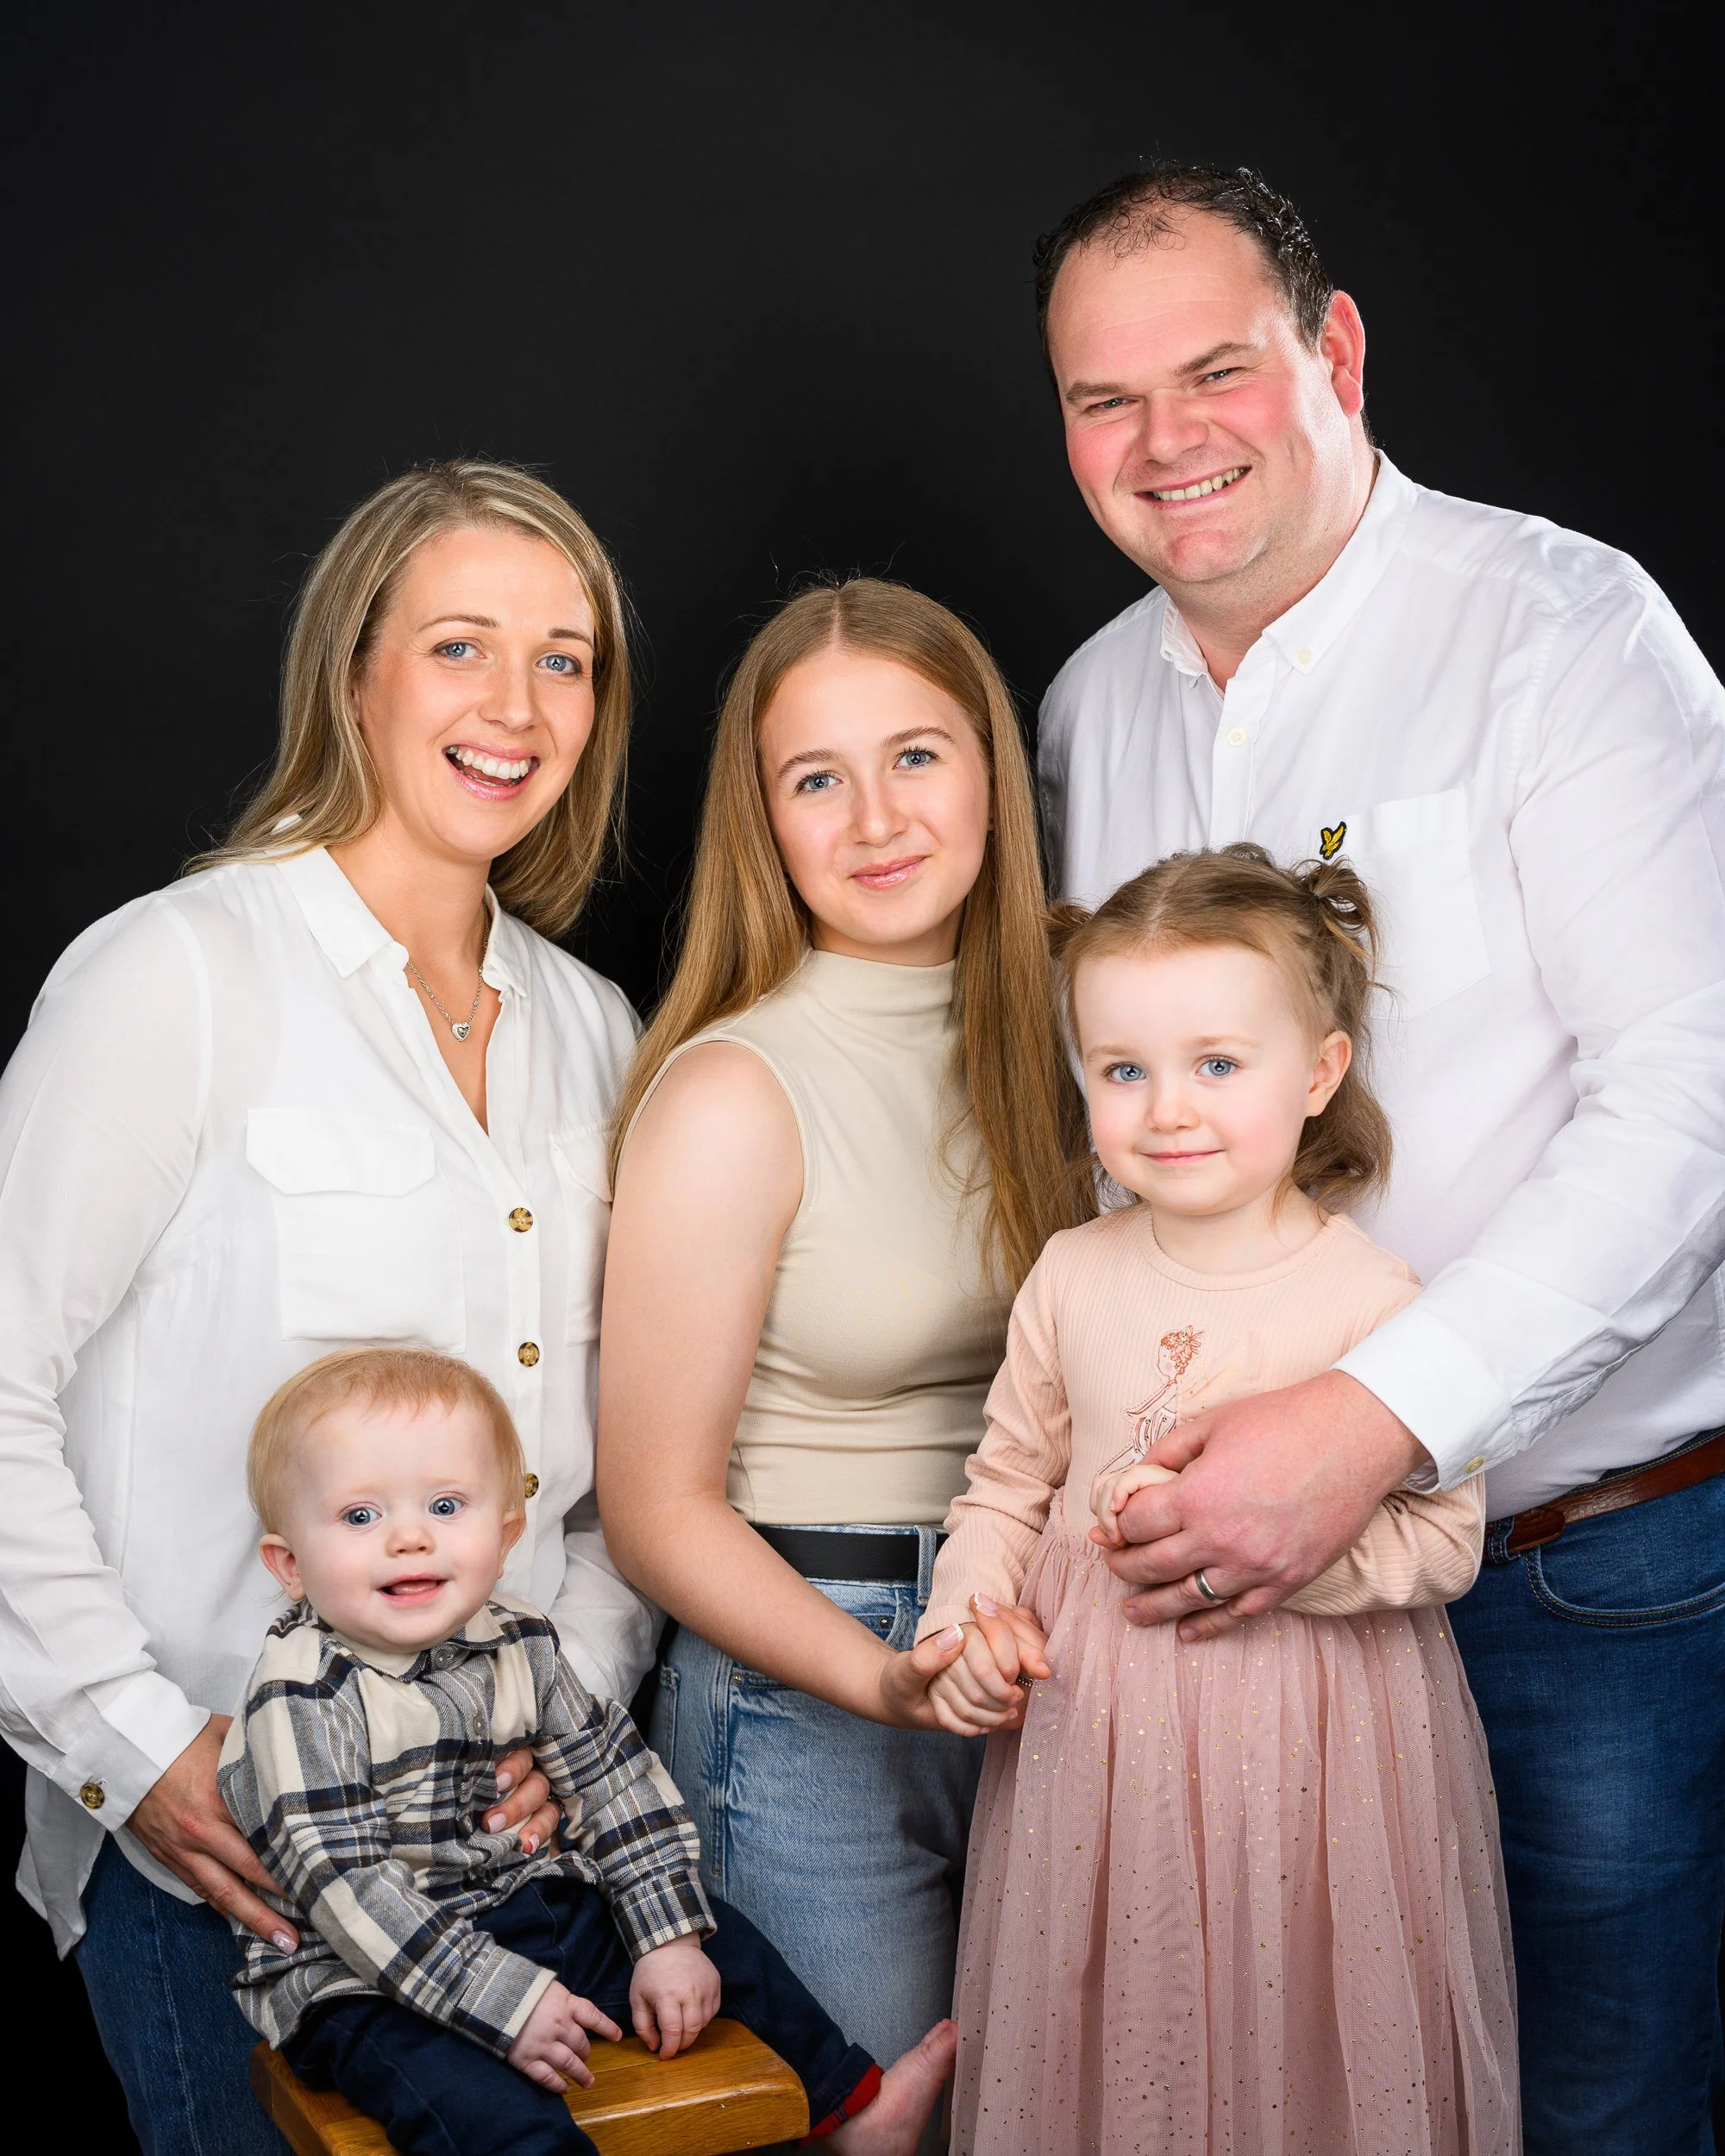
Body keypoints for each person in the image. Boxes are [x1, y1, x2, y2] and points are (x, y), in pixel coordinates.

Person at [1032, 159, 1725, 2152]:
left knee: (1587, 2121)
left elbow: (1690, 1096)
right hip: (1219, 1621)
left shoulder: (1560, 634)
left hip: (1562, 1588)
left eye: (1213, 370)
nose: (1161, 442)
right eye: (1099, 399)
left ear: (1330, 351)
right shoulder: (1087, 710)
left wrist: (1362, 1424)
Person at [0, 461, 650, 2153]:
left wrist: (563, 1708)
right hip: (223, 1864)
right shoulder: (177, 975)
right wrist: (132, 1747)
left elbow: (603, 1470)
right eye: (460, 645)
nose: (517, 704)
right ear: (354, 669)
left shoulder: (598, 1035)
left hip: (514, 1864)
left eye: (565, 657)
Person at [916, 846, 1517, 2155]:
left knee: (1301, 2025)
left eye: (1218, 1065)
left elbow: (1447, 1538)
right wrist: (965, 1624)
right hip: (1100, 1737)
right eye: (1122, 1070)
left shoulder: (1379, 1303)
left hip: (1318, 1740)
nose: (1167, 1109)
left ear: (1318, 1074)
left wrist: (1282, 1557)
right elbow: (1006, 1483)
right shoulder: (1072, 1275)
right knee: (1121, 2030)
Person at [596, 580, 1081, 2092]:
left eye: (919, 756)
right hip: (813, 1704)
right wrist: (888, 1687)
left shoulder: (1086, 1039)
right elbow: (652, 1509)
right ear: (766, 818)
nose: (877, 816)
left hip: (1046, 1663)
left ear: (995, 771)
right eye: (818, 777)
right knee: (862, 2124)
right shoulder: (735, 1091)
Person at [218, 1345, 956, 2156]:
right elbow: (344, 1883)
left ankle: (851, 2118)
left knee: (717, 1940)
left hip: (516, 1906)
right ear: (290, 1566)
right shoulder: (302, 1691)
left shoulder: (518, 1637)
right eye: (361, 1516)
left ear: (503, 1538)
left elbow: (610, 1774)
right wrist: (506, 2000)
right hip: (365, 1977)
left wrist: (665, 1937)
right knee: (483, 2110)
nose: (408, 1540)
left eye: (446, 1506)